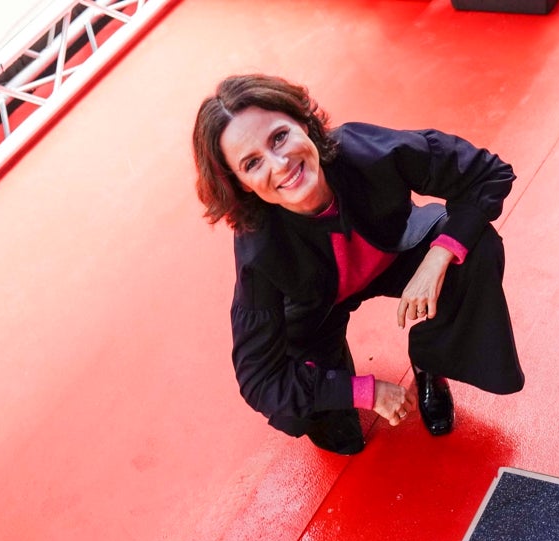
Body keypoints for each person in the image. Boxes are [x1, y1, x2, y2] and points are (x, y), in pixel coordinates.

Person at [191, 74, 524, 455]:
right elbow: (259, 378)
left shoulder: (365, 151)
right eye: (252, 163)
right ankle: (338, 395)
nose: (280, 164)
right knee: (334, 436)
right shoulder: (258, 249)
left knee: (475, 246)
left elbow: (489, 174)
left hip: (394, 251)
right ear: (242, 185)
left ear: (301, 121)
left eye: (279, 136)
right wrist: (362, 391)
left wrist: (439, 255)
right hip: (317, 306)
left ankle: (431, 364)